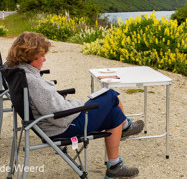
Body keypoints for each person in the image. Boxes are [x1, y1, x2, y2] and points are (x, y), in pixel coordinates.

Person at [6, 32, 144, 178]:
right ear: (28, 56)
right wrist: (79, 104)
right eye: (40, 56)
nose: (44, 59)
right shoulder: (33, 82)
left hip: (55, 123)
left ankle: (115, 166)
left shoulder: (20, 72)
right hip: (62, 127)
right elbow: (58, 115)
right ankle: (126, 127)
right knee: (110, 95)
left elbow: (53, 107)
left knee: (115, 113)